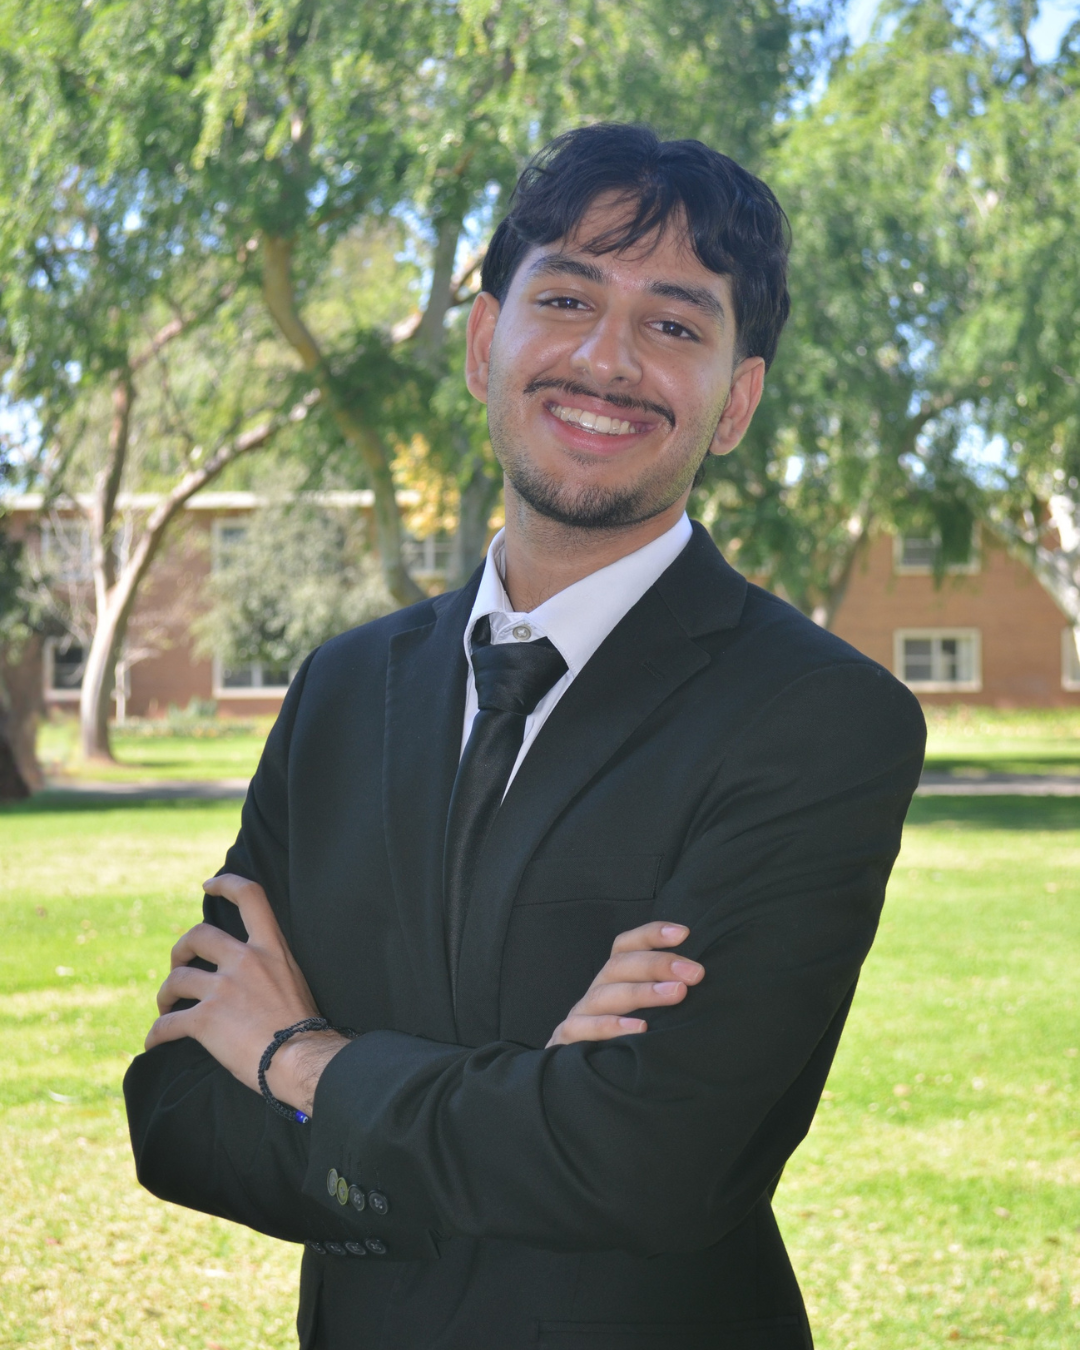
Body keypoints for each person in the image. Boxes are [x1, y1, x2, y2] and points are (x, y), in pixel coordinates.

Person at [125, 123, 925, 1350]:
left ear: (736, 402)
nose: (607, 360)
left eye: (674, 323)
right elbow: (178, 1110)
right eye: (566, 297)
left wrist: (296, 1059)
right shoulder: (340, 688)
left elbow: (647, 1161)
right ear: (484, 339)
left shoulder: (820, 718)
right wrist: (525, 1118)